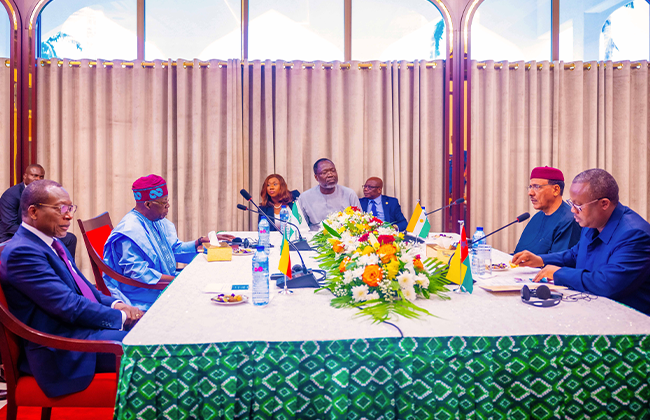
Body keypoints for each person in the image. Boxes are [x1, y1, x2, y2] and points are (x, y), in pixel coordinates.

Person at [0, 180, 143, 398]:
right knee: (150, 347)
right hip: (61, 351)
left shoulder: (51, 242)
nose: (68, 216)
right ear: (33, 211)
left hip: (81, 332)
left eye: (70, 208)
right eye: (61, 209)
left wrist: (117, 305)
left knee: (152, 331)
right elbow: (69, 306)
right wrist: (122, 318)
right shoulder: (22, 253)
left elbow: (86, 290)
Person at [512, 169, 650, 315]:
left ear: (604, 204)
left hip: (627, 318)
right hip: (590, 306)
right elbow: (575, 254)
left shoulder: (634, 235)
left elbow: (608, 283)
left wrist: (560, 273)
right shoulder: (592, 222)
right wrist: (540, 260)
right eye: (571, 203)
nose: (572, 210)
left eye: (578, 206)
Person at [103, 174, 234, 310]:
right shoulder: (129, 231)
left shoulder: (155, 221)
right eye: (163, 203)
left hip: (165, 282)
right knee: (205, 300)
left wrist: (199, 242)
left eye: (167, 201)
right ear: (148, 204)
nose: (168, 206)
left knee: (213, 280)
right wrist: (178, 280)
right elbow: (139, 273)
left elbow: (172, 250)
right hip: (145, 294)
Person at [0, 165, 78, 258]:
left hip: (37, 233)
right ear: (25, 176)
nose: (38, 179)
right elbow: (9, 226)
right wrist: (38, 233)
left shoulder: (42, 195)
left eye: (41, 177)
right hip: (12, 237)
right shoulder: (11, 195)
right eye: (34, 175)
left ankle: (65, 267)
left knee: (70, 238)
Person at [513, 166, 581, 254]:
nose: (530, 193)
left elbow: (558, 260)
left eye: (536, 187)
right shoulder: (537, 217)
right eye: (530, 187)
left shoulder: (569, 220)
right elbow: (519, 252)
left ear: (556, 190)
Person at [298, 159, 361, 230]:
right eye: (324, 172)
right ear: (316, 177)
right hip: (315, 235)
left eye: (333, 171)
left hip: (344, 235)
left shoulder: (349, 194)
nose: (330, 175)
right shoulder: (305, 197)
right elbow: (300, 226)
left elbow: (359, 221)